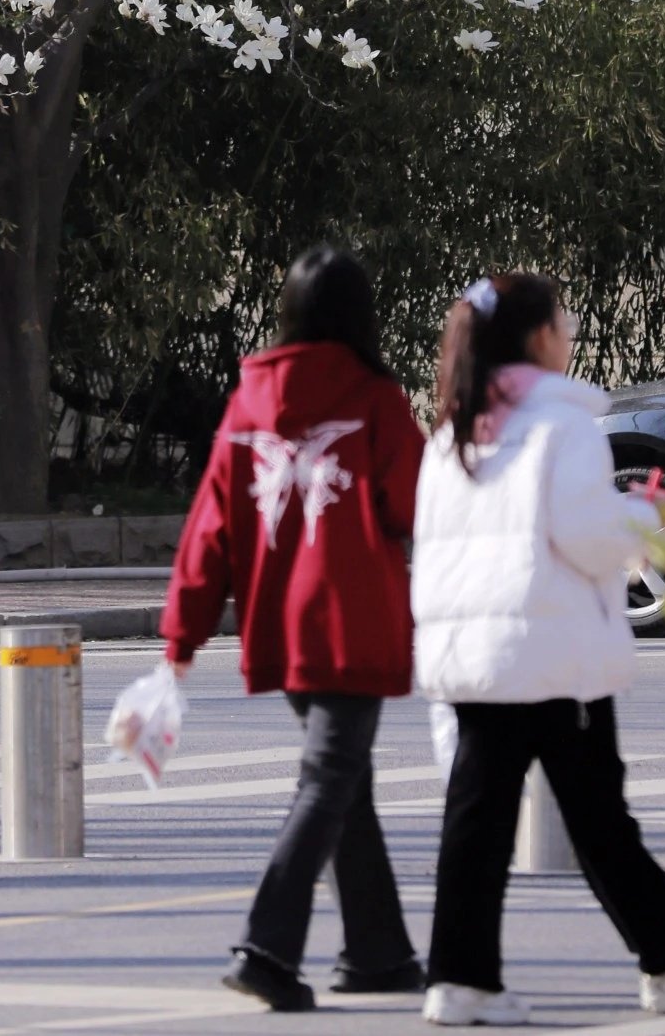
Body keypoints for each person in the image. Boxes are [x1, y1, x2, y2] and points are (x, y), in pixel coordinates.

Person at [411, 272, 665, 1029]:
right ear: (538, 339)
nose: (572, 332)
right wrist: (644, 514)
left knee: (480, 822)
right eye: (564, 321)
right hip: (553, 655)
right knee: (599, 820)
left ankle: (461, 978)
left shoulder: (453, 433)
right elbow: (590, 541)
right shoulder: (561, 430)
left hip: (480, 657)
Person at [161, 244, 428, 1012]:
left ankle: (378, 954)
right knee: (328, 782)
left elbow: (208, 527)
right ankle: (268, 947)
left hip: (281, 626)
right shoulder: (375, 398)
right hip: (353, 624)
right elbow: (416, 506)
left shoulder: (247, 403)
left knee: (348, 784)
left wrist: (183, 634)